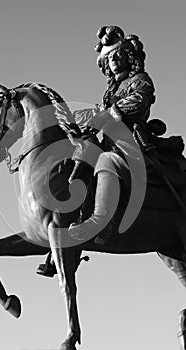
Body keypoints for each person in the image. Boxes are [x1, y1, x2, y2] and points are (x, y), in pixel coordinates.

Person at [36, 25, 156, 276]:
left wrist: (110, 113)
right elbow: (99, 115)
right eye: (108, 59)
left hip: (129, 143)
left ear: (128, 56)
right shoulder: (110, 91)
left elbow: (140, 99)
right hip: (108, 139)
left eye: (116, 55)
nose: (113, 62)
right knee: (79, 159)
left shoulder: (140, 80)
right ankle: (68, 228)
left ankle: (103, 222)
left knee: (107, 162)